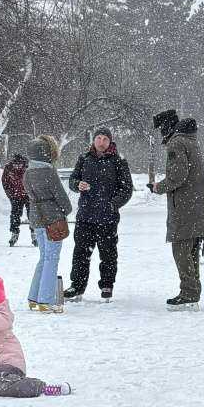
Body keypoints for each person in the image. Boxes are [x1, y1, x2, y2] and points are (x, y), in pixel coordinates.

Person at [148, 109, 204, 310]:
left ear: (166, 126)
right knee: (191, 251)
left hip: (185, 208)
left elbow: (178, 176)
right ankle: (192, 292)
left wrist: (158, 187)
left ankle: (188, 293)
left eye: (161, 128)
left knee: (181, 251)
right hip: (197, 206)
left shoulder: (176, 143)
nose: (160, 133)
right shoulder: (190, 140)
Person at [64, 127, 134, 301]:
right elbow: (73, 180)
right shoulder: (84, 158)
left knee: (108, 254)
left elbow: (127, 189)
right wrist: (77, 184)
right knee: (80, 253)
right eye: (99, 138)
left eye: (105, 139)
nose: (101, 142)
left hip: (107, 217)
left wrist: (113, 204)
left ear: (110, 142)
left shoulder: (118, 161)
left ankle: (107, 285)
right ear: (93, 140)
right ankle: (77, 286)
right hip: (85, 216)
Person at [23, 135, 72, 313]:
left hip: (36, 219)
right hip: (53, 220)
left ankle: (34, 297)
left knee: (43, 258)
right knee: (52, 259)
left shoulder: (28, 173)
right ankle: (46, 301)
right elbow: (62, 198)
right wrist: (67, 210)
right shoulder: (49, 172)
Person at [2, 151, 33, 247]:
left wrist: (32, 193)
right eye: (16, 165)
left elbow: (34, 181)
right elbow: (5, 182)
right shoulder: (8, 168)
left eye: (20, 165)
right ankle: (14, 233)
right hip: (15, 196)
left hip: (29, 196)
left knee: (32, 214)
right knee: (15, 214)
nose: (18, 167)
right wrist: (11, 195)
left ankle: (34, 233)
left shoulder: (29, 168)